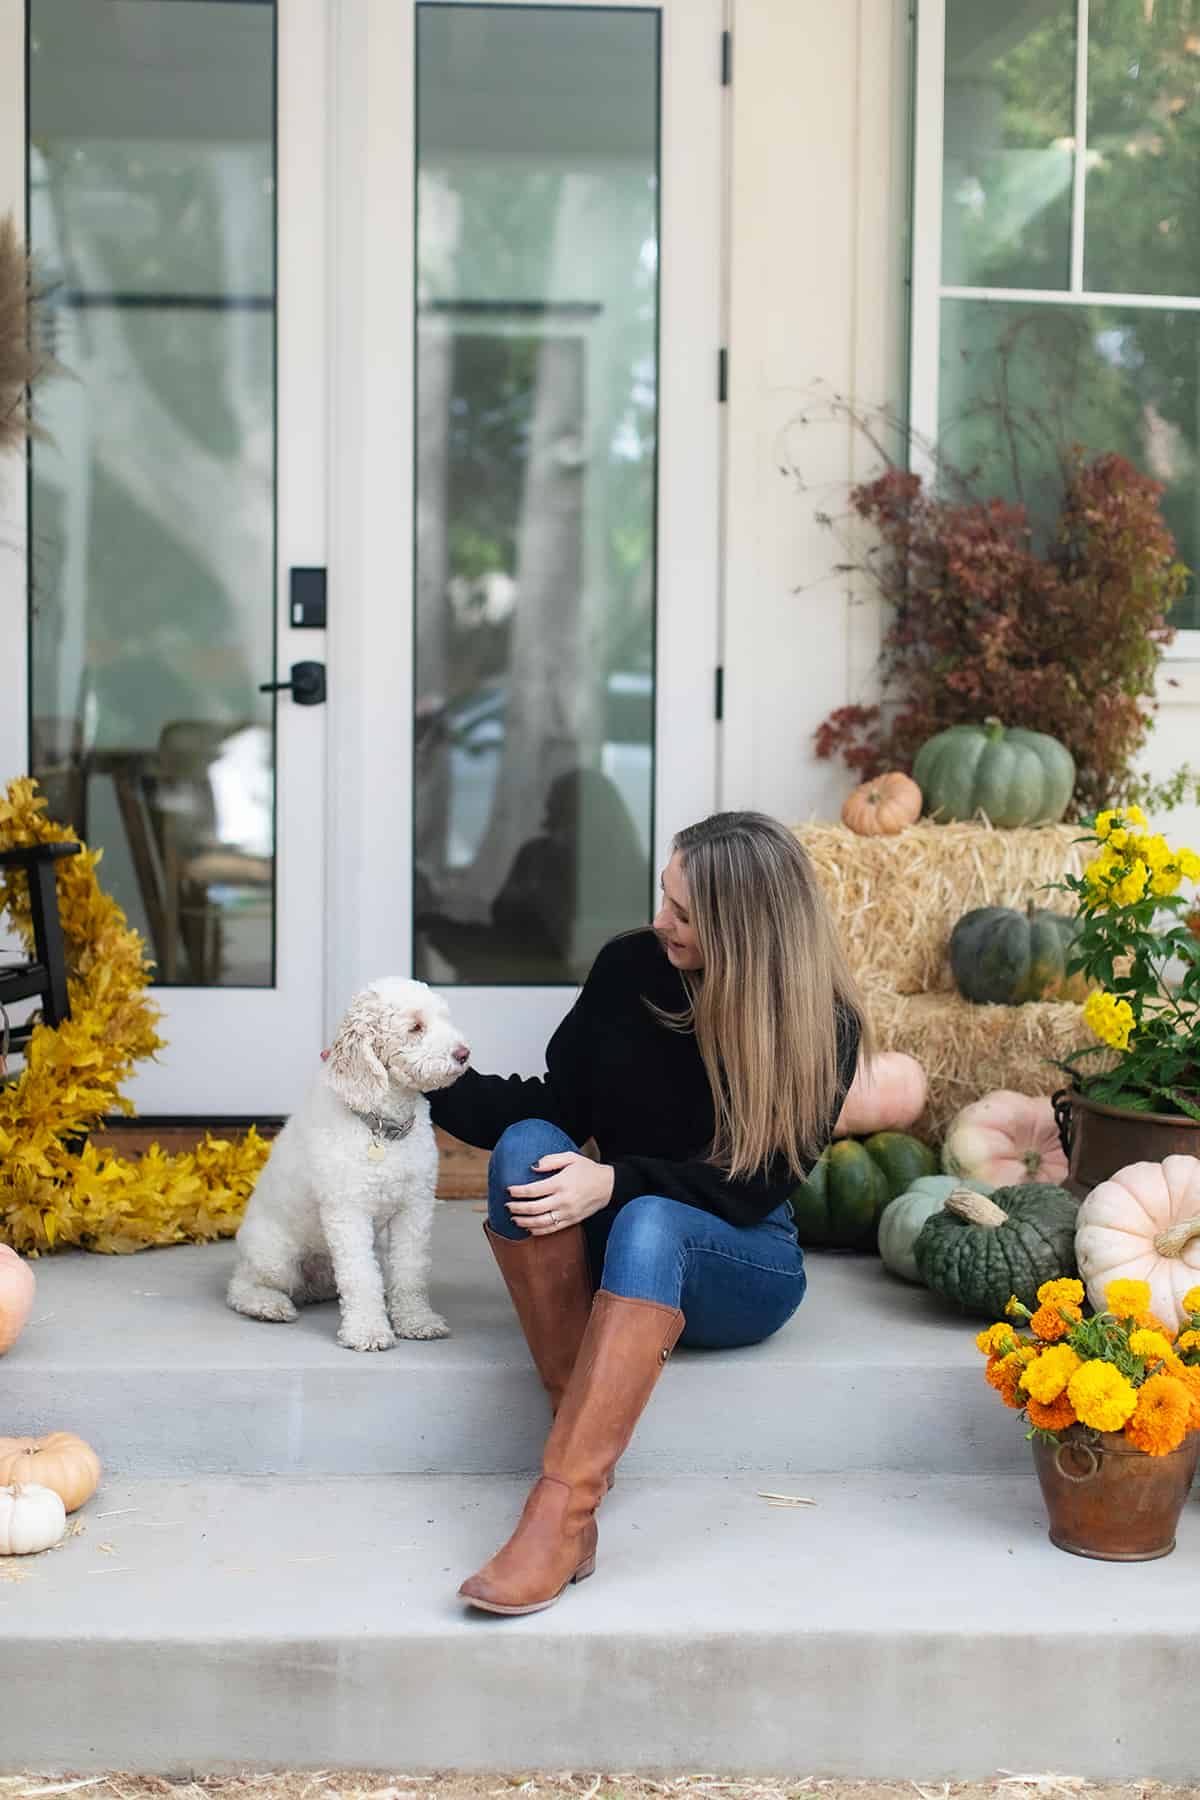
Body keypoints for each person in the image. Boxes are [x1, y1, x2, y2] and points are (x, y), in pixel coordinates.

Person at [429, 810, 868, 1615]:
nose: (660, 921)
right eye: (664, 897)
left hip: (739, 1257)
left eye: (685, 914)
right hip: (626, 1242)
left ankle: (558, 1512)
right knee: (529, 1143)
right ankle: (573, 1483)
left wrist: (615, 1181)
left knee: (650, 1217)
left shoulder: (821, 1023)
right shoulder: (630, 967)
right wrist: (424, 1075)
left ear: (745, 929)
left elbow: (754, 1185)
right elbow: (557, 1105)